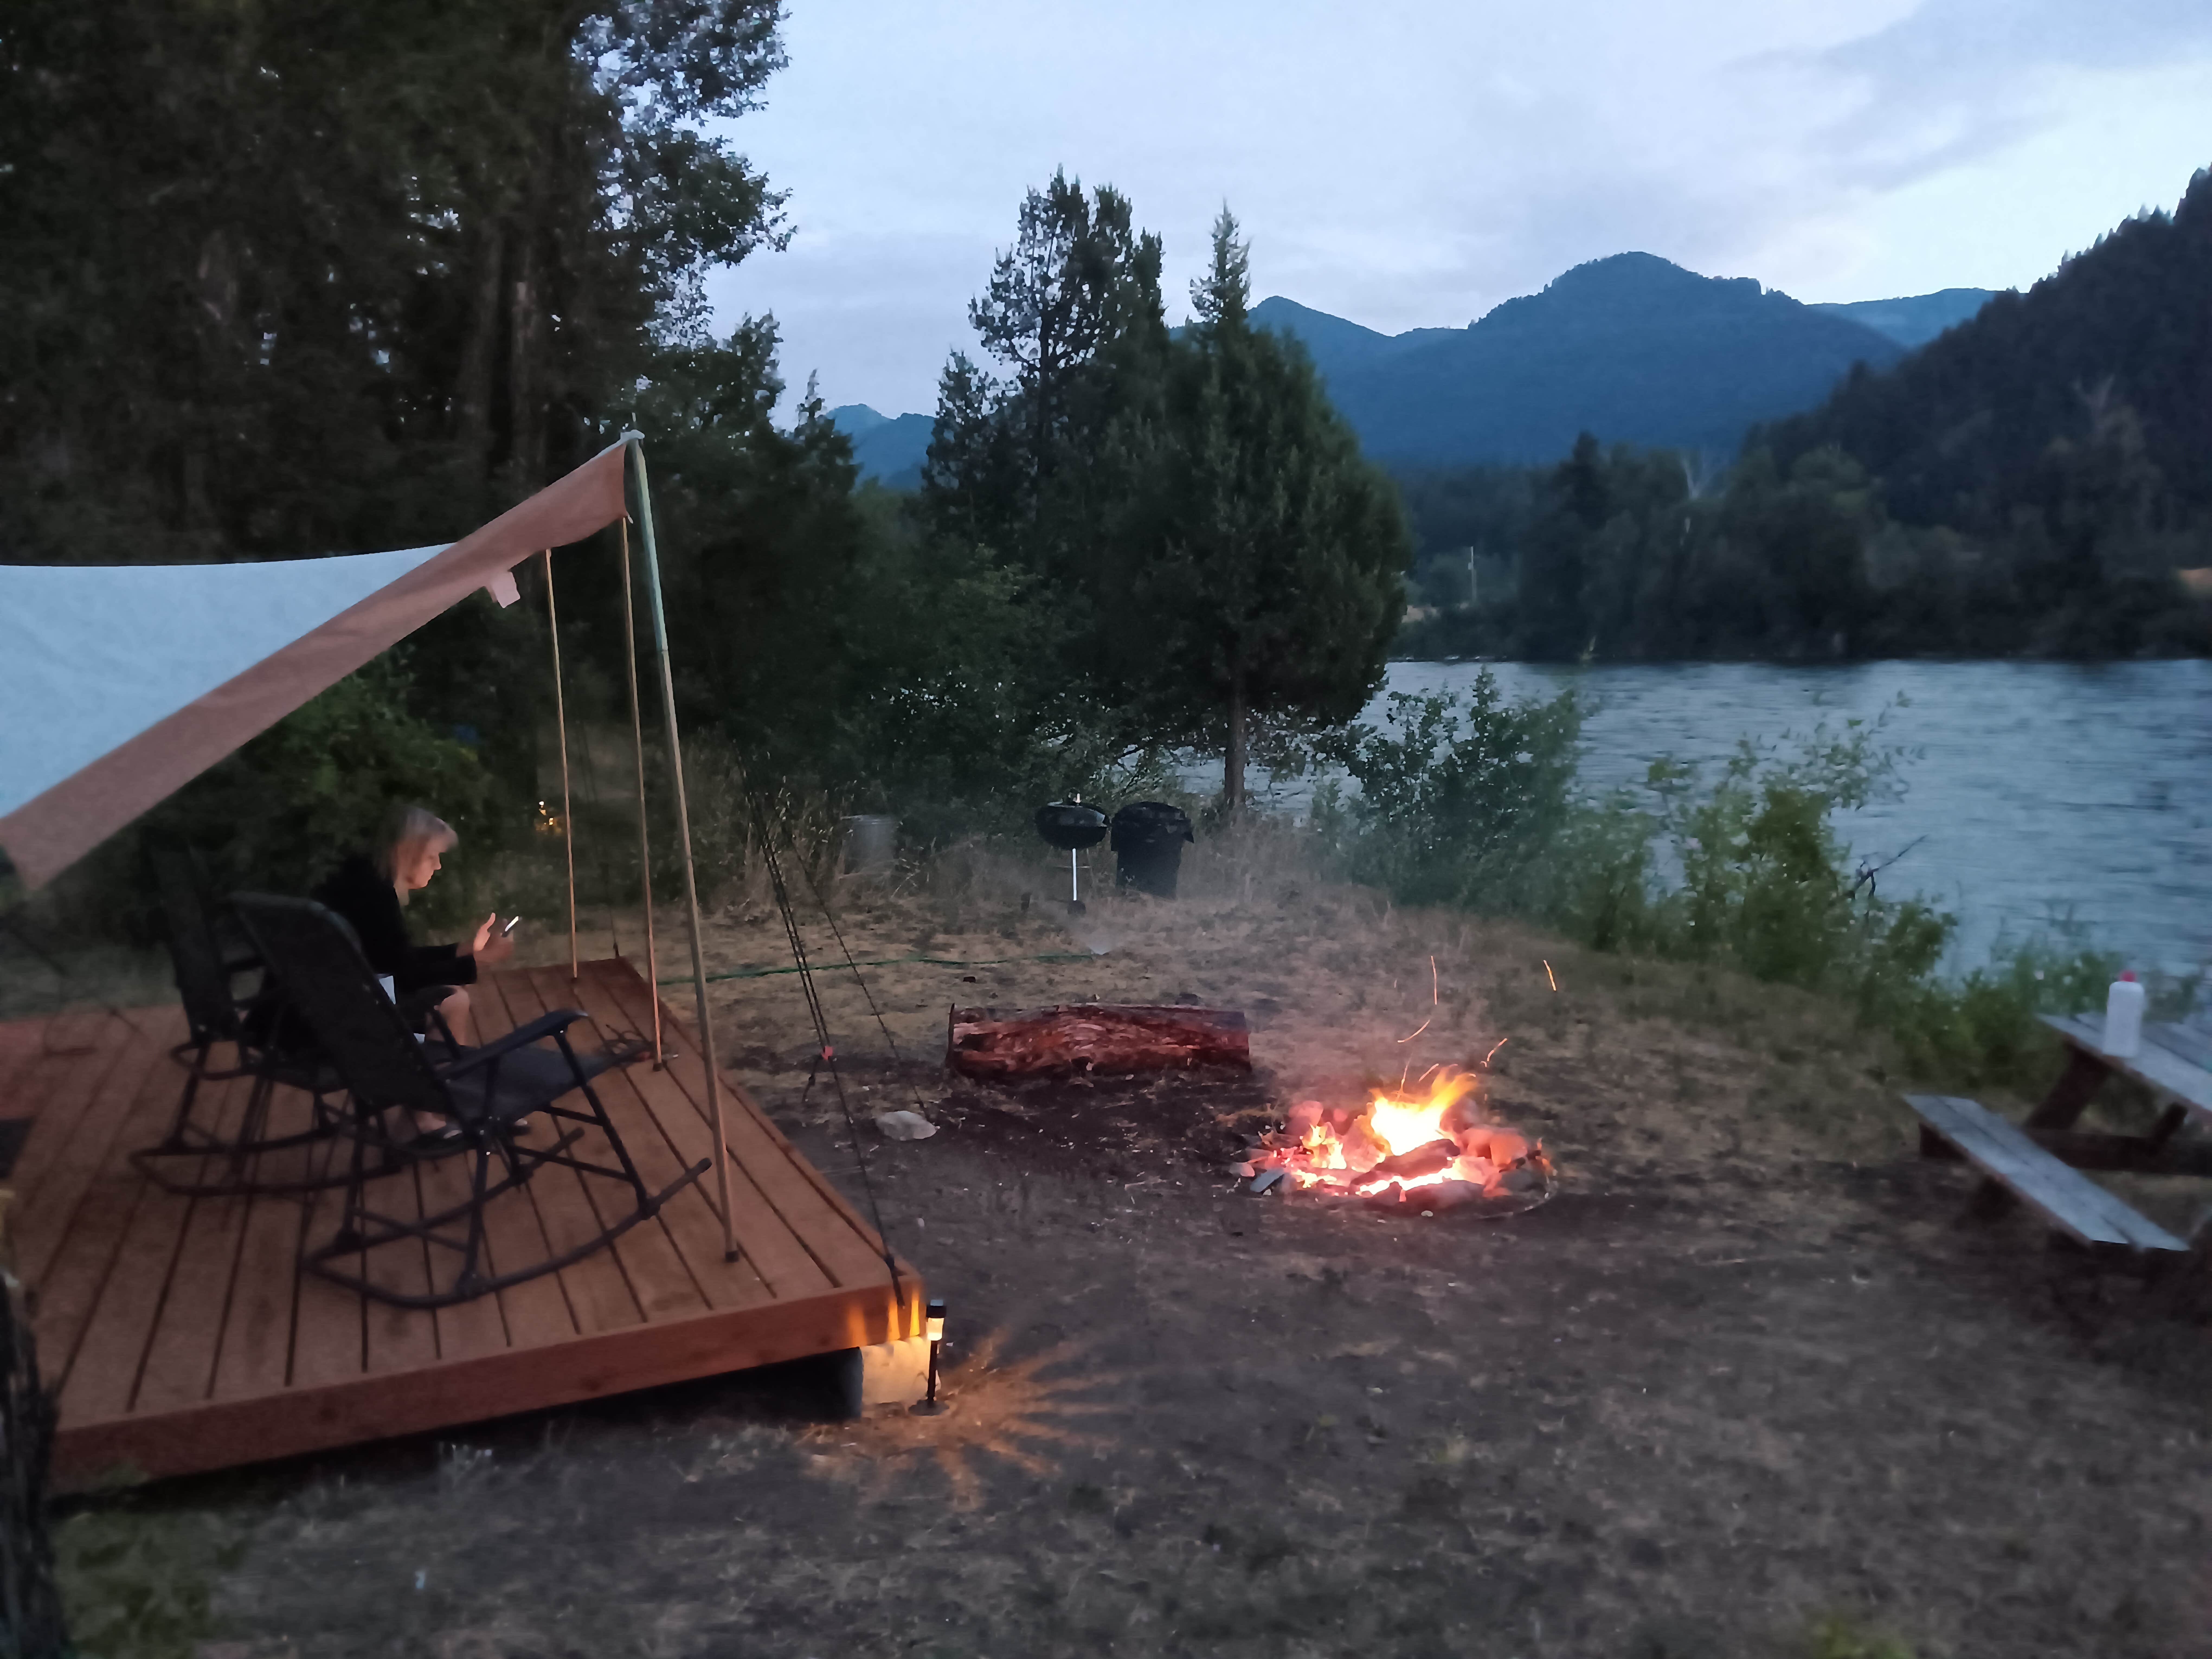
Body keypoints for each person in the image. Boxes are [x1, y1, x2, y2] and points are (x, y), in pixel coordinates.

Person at [313, 805, 514, 1047]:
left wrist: (466, 950)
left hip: (295, 1017)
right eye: (432, 856)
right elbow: (406, 977)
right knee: (453, 999)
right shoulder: (377, 897)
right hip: (338, 1028)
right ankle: (443, 1081)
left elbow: (396, 961)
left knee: (445, 994)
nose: (438, 866)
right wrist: (483, 961)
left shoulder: (353, 882)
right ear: (406, 852)